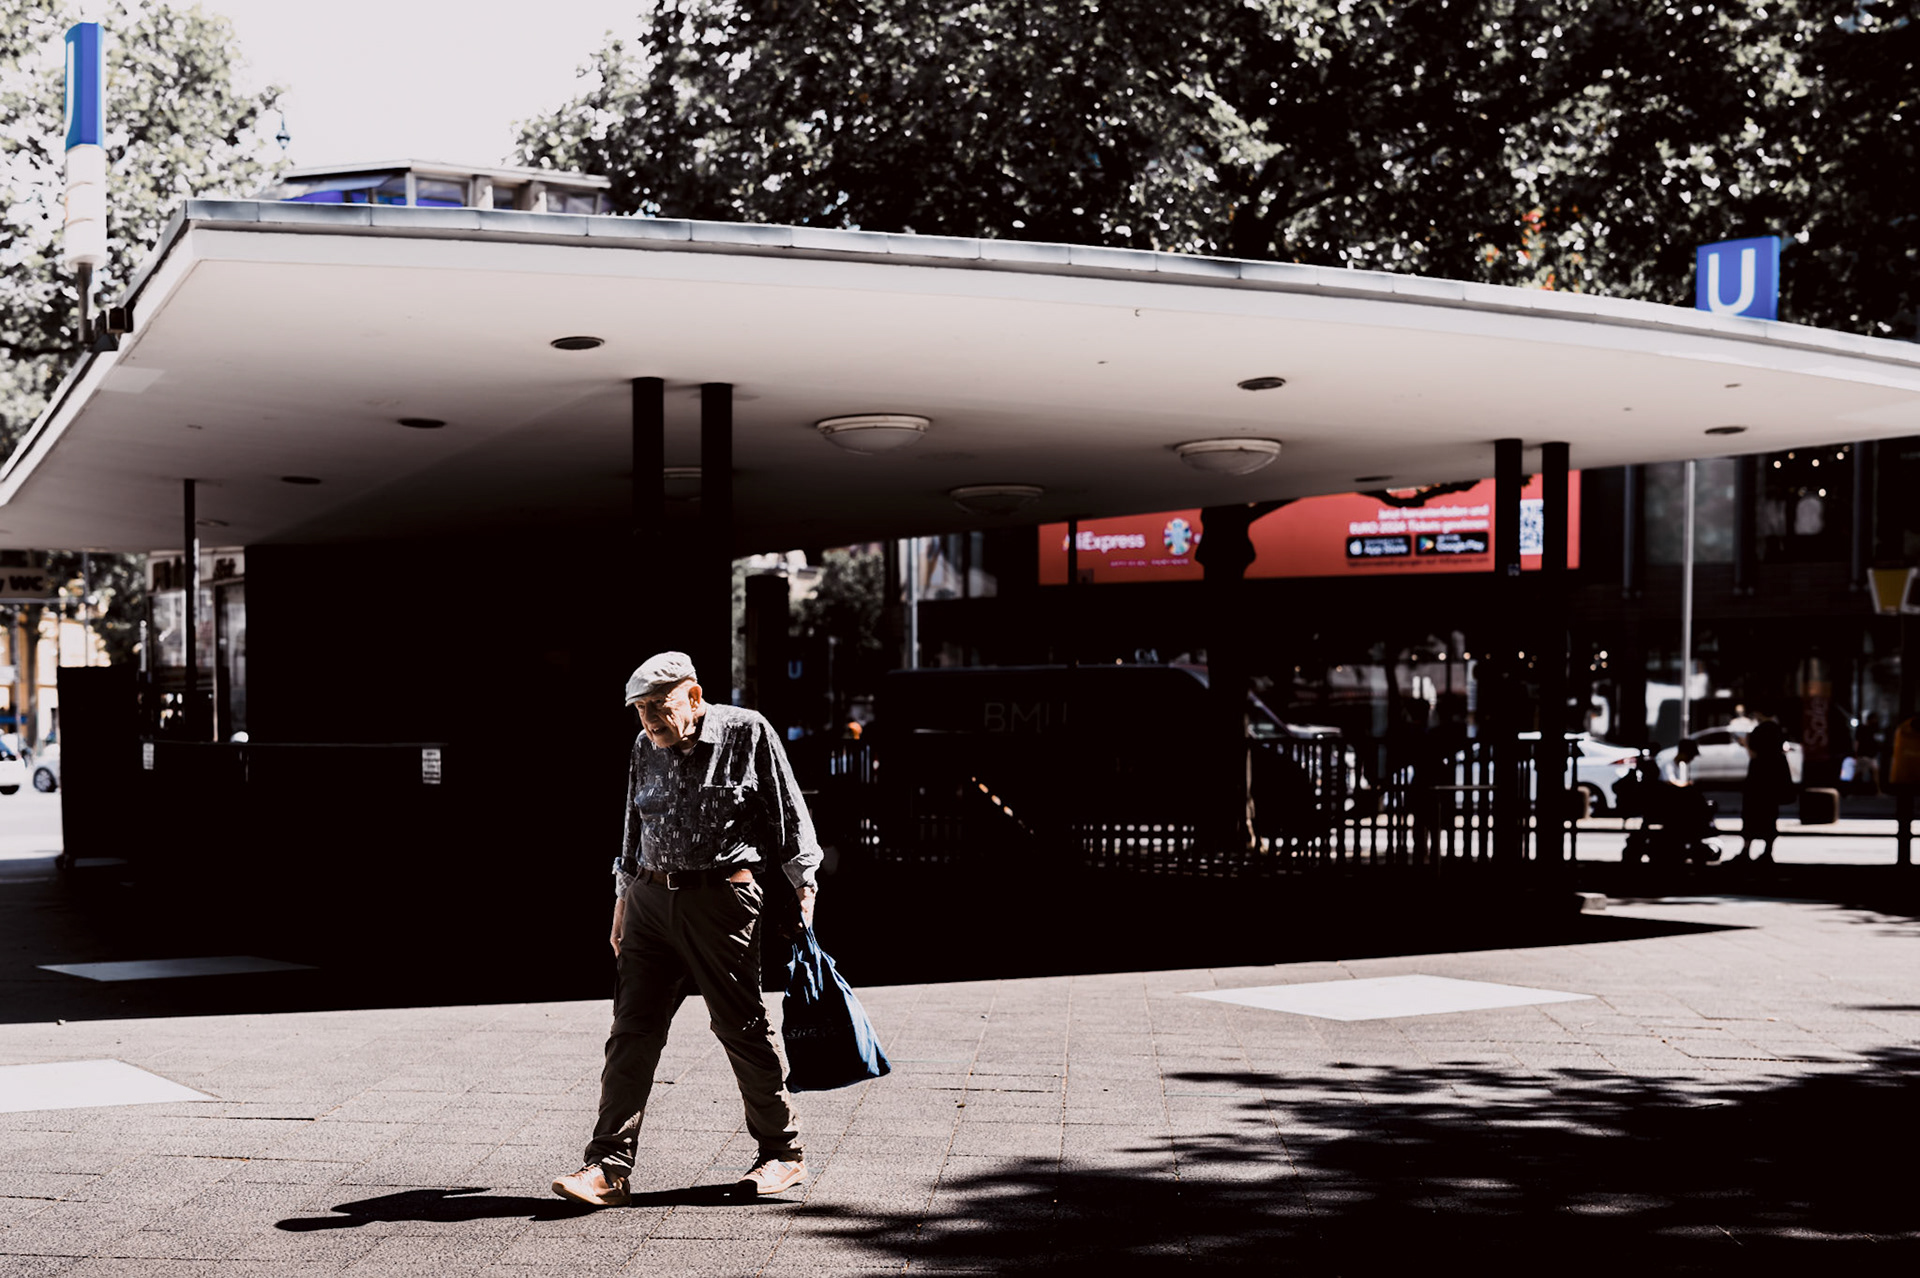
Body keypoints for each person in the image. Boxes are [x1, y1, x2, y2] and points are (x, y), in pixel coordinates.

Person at [552, 652, 823, 1208]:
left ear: (694, 697)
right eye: (640, 710)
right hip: (651, 901)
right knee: (631, 1031)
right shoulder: (642, 748)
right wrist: (623, 898)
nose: (649, 719)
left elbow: (787, 813)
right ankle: (607, 1166)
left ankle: (782, 1153)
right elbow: (633, 821)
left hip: (721, 899)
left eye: (659, 706)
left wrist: (805, 887)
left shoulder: (748, 732)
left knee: (741, 1025)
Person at [1731, 709, 1792, 865]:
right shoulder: (1776, 730)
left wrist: (1745, 743)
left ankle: (1746, 851)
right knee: (1770, 817)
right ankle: (1767, 853)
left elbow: (1753, 754)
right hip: (1772, 781)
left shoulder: (1758, 731)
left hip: (1758, 780)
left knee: (1751, 816)